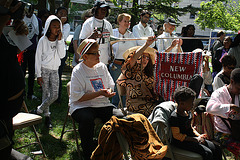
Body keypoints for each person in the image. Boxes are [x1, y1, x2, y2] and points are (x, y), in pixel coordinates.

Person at [69, 39, 115, 160]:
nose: (99, 55)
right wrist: (99, 93)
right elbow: (77, 97)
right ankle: (88, 153)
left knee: (118, 117)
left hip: (102, 103)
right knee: (87, 119)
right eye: (95, 53)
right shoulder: (78, 71)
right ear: (85, 56)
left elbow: (110, 84)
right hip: (82, 106)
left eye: (98, 52)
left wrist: (108, 92)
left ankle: (111, 149)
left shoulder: (102, 67)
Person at [0, 0, 29, 158]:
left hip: (7, 114)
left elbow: (12, 53)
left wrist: (19, 34)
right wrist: (6, 13)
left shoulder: (4, 29)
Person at [170, 86, 222, 160]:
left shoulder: (187, 112)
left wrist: (199, 136)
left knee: (216, 148)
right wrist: (195, 139)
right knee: (208, 153)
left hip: (192, 138)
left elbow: (190, 127)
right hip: (183, 142)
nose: (193, 105)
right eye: (191, 103)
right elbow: (177, 136)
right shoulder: (175, 117)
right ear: (182, 103)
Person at [117, 36, 163, 117]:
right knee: (160, 111)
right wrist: (146, 44)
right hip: (136, 104)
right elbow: (133, 58)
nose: (145, 59)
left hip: (151, 103)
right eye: (142, 57)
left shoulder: (149, 74)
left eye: (147, 57)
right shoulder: (131, 72)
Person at [33, 15, 65, 128]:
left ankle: (38, 110)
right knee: (46, 93)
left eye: (58, 26)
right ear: (48, 27)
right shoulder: (43, 40)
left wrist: (60, 41)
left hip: (55, 70)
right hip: (45, 69)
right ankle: (47, 117)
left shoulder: (60, 40)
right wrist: (39, 75)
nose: (57, 29)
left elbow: (62, 55)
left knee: (54, 95)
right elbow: (37, 57)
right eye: (54, 26)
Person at [206, 68, 240, 157]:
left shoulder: (238, 95)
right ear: (231, 82)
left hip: (237, 131)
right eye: (238, 88)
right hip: (222, 133)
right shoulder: (219, 93)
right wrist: (230, 107)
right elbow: (209, 108)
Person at [110, 13, 137, 107]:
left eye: (128, 21)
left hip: (127, 65)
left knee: (127, 87)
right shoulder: (113, 33)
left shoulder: (131, 34)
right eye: (125, 21)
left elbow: (134, 49)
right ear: (119, 22)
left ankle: (125, 108)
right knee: (117, 88)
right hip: (116, 65)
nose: (127, 23)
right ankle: (114, 107)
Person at [79, 0, 113, 65]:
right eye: (101, 9)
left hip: (104, 61)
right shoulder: (88, 23)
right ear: (96, 9)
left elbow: (110, 42)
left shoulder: (108, 24)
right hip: (90, 61)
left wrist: (111, 55)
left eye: (105, 9)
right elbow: (82, 42)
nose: (104, 11)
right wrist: (92, 37)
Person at [22, 5, 39, 100]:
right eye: (28, 11)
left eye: (32, 11)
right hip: (23, 50)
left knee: (32, 73)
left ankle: (30, 93)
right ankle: (22, 92)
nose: (30, 13)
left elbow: (38, 34)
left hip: (32, 50)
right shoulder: (21, 20)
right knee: (22, 72)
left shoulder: (37, 21)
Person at [56, 7, 70, 103]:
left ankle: (57, 97)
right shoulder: (51, 24)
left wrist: (61, 23)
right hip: (51, 52)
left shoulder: (67, 26)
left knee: (58, 75)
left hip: (61, 52)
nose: (62, 16)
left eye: (64, 14)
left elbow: (61, 36)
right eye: (60, 13)